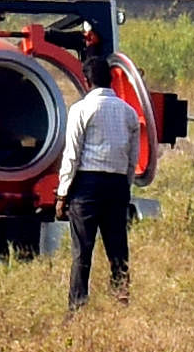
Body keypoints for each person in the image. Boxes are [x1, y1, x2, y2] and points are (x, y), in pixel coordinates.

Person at [55, 56, 140, 312]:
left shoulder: (81, 110)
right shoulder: (128, 112)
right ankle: (121, 304)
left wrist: (62, 194)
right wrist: (124, 186)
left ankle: (77, 310)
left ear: (86, 80)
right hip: (116, 185)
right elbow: (132, 157)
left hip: (87, 185)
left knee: (83, 252)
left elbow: (72, 154)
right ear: (112, 79)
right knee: (118, 252)